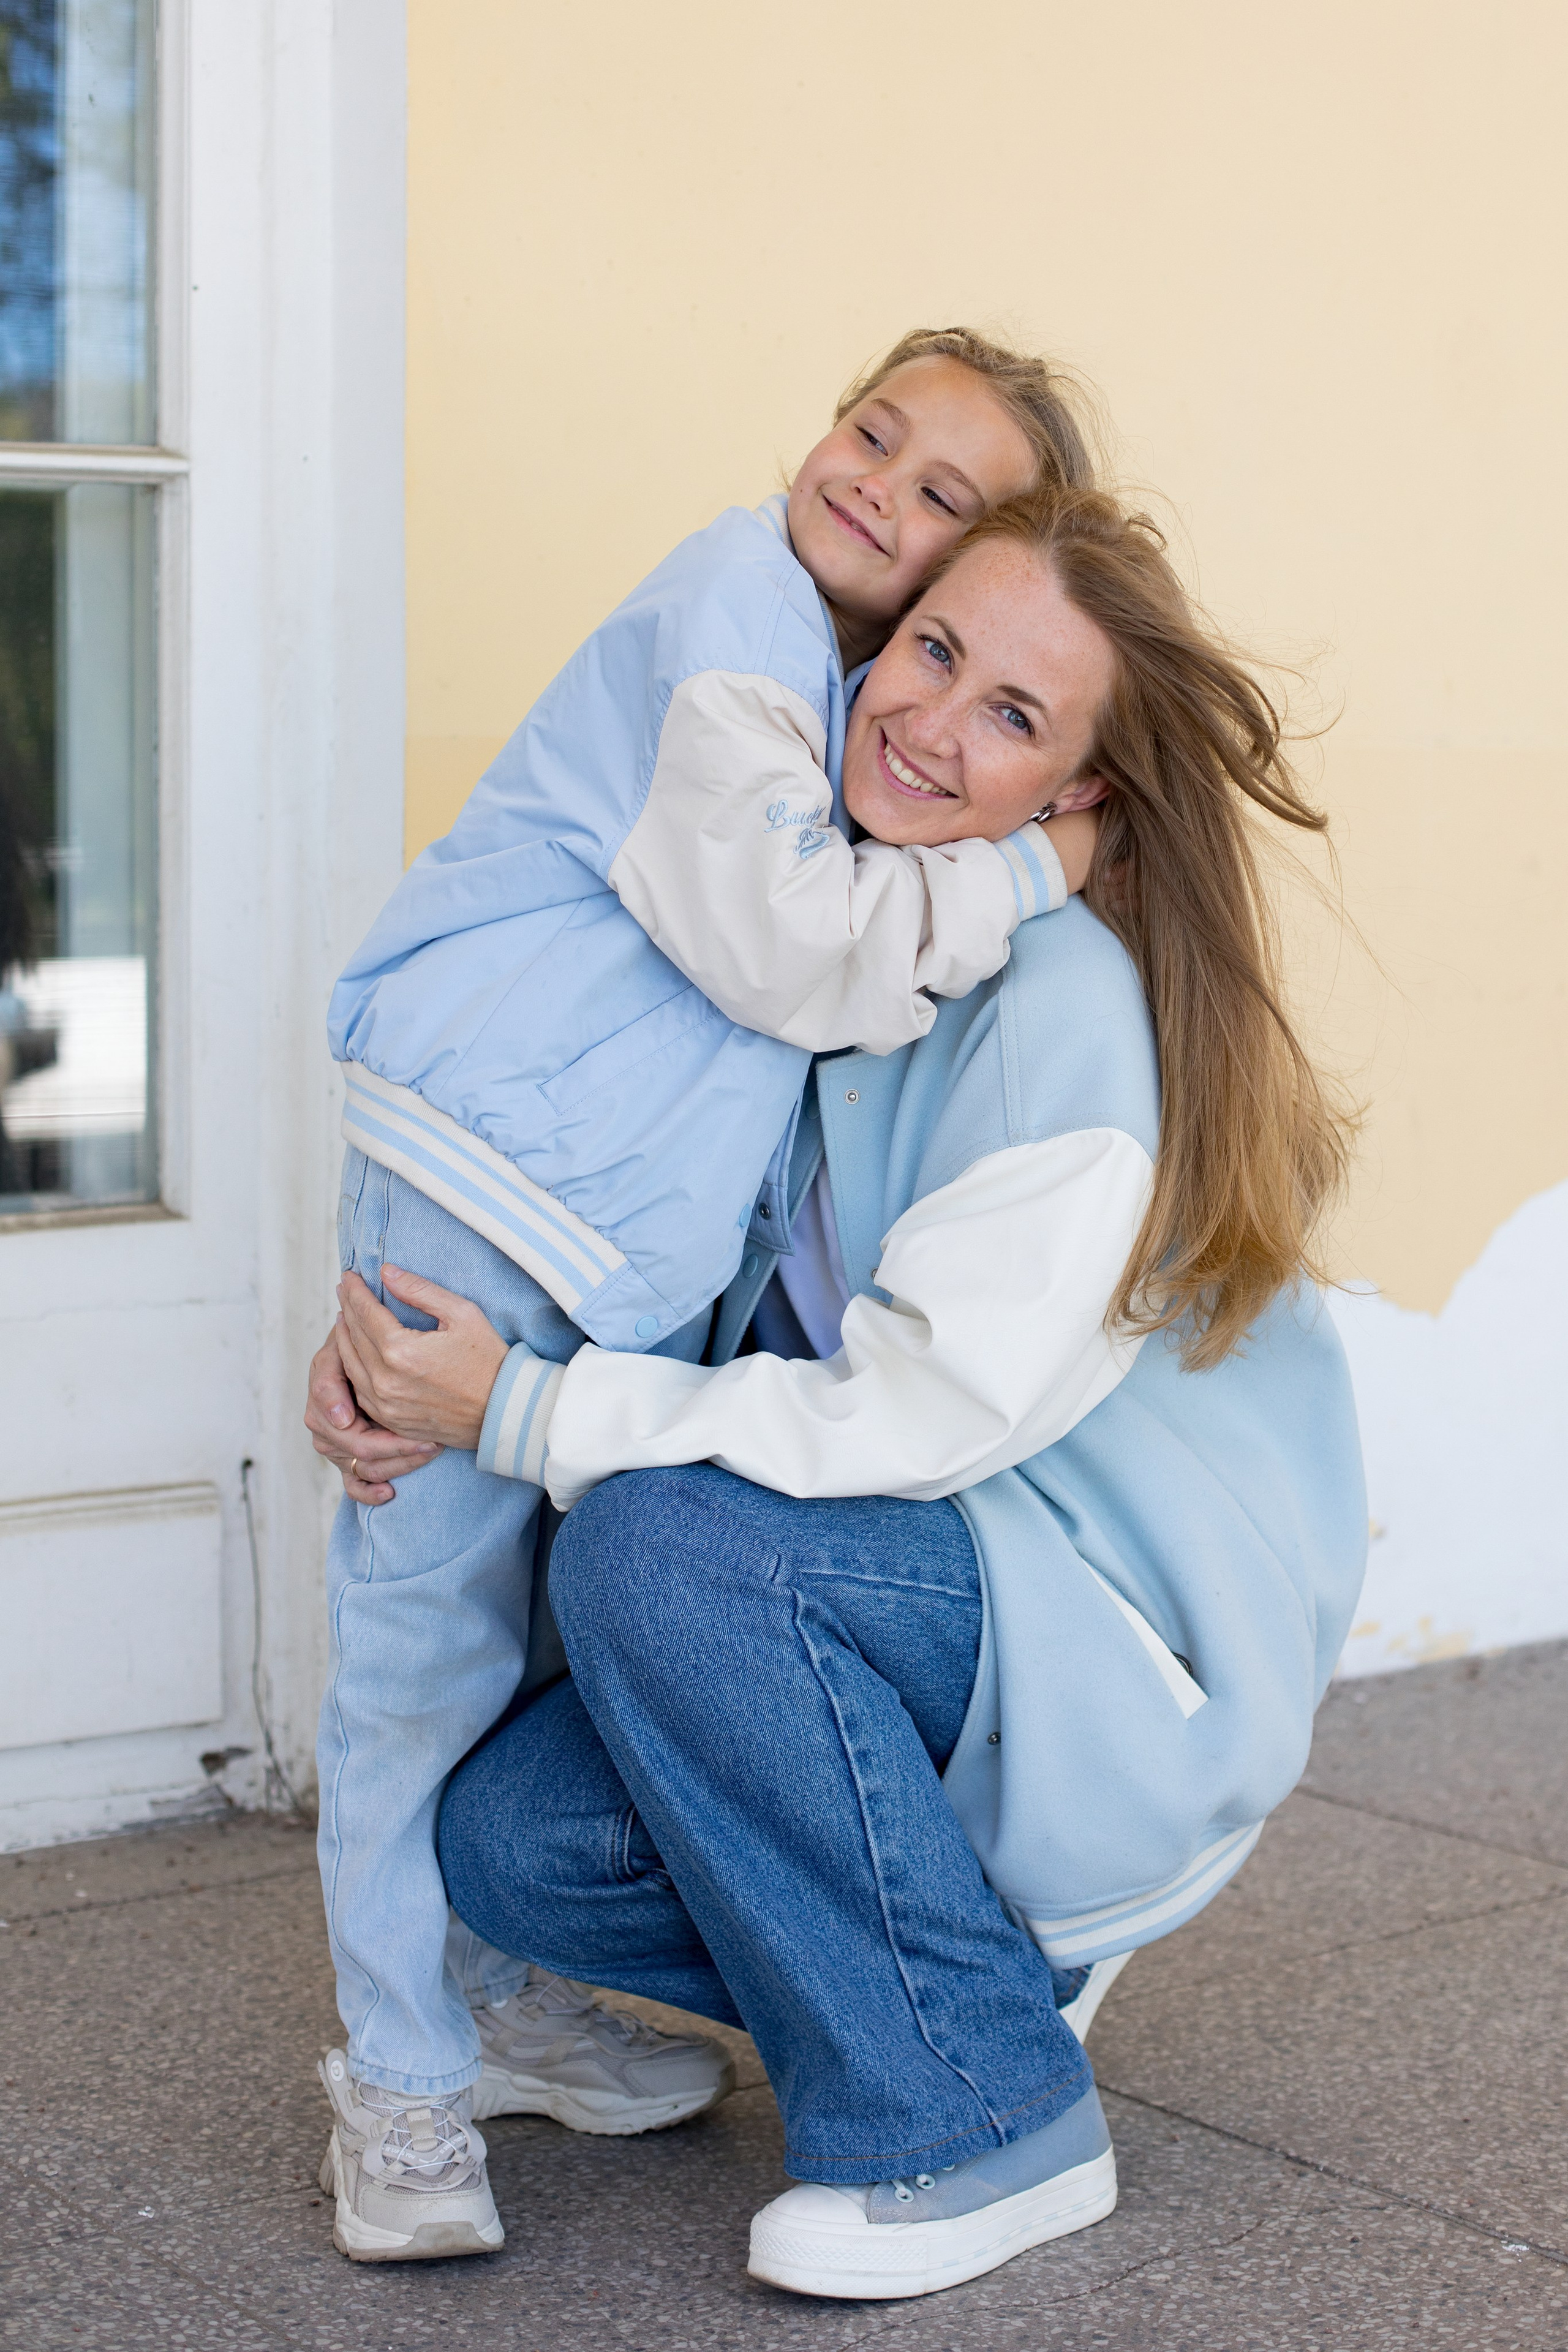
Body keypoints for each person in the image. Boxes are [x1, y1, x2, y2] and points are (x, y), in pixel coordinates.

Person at [308, 484, 1367, 2300]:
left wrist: (525, 1415)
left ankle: (979, 2114)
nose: (933, 724)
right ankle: (968, 1967)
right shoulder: (830, 948)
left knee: (659, 1548)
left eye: (1014, 716)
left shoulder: (1058, 1011)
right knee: (517, 1843)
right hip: (910, 1600)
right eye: (931, 652)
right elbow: (598, 1219)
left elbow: (911, 1415)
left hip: (1099, 1655)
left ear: (1080, 800)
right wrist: (396, 1368)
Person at [313, 328, 1107, 2262]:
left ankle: (499, 1998)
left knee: (537, 1647)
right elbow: (786, 950)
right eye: (872, 434)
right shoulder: (735, 616)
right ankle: (399, 2083)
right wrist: (1035, 873)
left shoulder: (841, 707)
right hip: (497, 1192)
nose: (877, 489)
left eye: (939, 495)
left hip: (587, 1231)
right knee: (418, 1661)